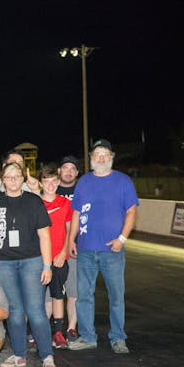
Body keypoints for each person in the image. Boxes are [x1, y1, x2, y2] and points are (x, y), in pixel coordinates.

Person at [0, 161, 57, 367]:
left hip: (32, 261)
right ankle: (19, 354)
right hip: (1, 263)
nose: (13, 180)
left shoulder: (34, 201)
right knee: (14, 310)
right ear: (3, 180)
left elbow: (44, 236)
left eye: (17, 176)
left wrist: (47, 265)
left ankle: (47, 355)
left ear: (22, 179)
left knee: (36, 310)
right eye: (9, 176)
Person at [66, 139, 139, 354]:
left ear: (111, 158)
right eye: (96, 154)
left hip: (112, 251)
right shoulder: (84, 182)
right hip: (86, 249)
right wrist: (71, 240)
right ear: (91, 158)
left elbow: (132, 211)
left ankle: (118, 338)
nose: (100, 158)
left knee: (116, 296)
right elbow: (76, 212)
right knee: (84, 296)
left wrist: (122, 239)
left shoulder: (123, 181)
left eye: (104, 154)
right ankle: (88, 337)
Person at [38, 164, 73, 348]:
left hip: (59, 258)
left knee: (58, 295)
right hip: (39, 259)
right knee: (37, 297)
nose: (50, 185)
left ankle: (58, 332)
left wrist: (63, 252)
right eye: (46, 181)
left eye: (54, 181)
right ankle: (37, 332)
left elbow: (69, 230)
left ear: (58, 182)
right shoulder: (35, 203)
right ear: (40, 183)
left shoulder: (65, 203)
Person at [57, 155, 80, 340]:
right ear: (59, 171)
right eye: (65, 168)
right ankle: (48, 328)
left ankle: (71, 327)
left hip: (75, 248)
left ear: (77, 173)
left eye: (73, 169)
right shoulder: (50, 187)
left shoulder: (82, 190)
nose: (69, 172)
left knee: (73, 290)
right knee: (51, 294)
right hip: (54, 248)